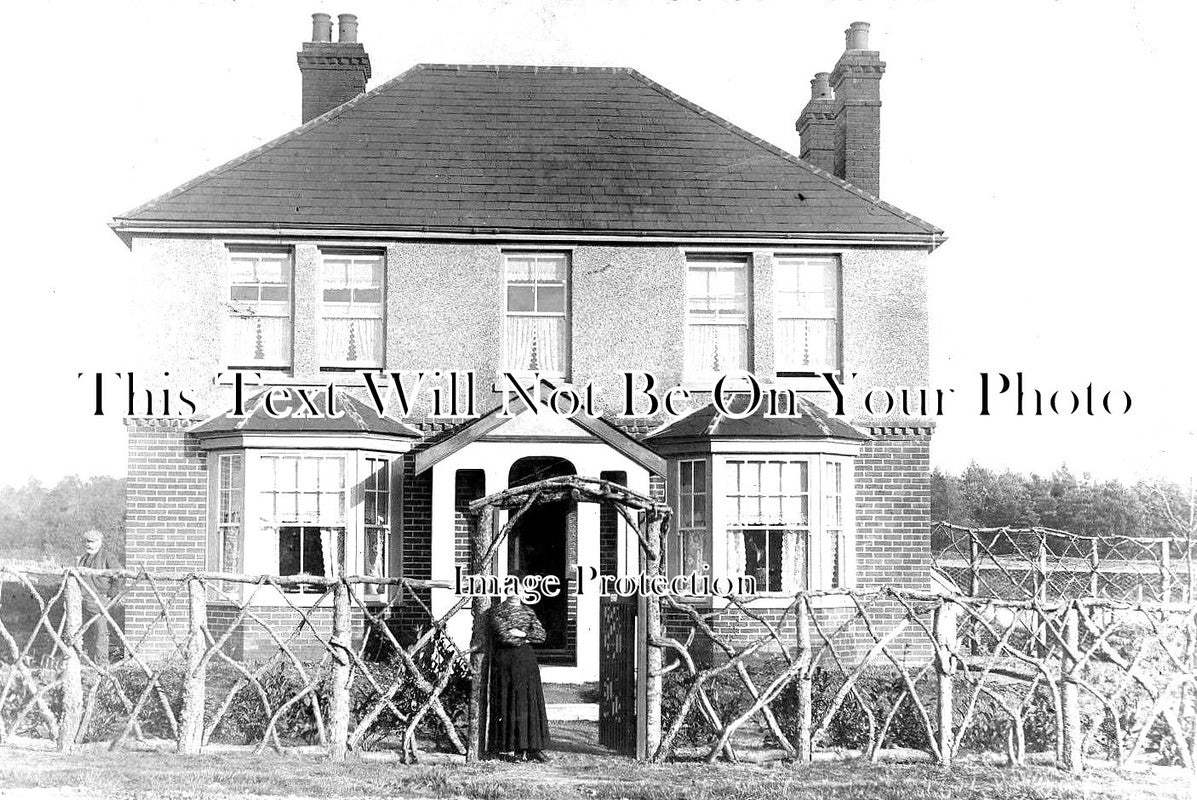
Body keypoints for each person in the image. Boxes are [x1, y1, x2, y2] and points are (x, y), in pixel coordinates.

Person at [487, 582, 551, 762]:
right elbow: (504, 636)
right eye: (511, 588)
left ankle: (532, 748)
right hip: (506, 661)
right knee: (510, 702)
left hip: (527, 662)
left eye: (520, 589)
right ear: (505, 590)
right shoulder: (497, 611)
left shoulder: (529, 611)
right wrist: (525, 635)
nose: (516, 592)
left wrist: (522, 634)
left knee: (529, 702)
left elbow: (541, 635)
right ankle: (512, 748)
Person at [77, 529, 125, 666]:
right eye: (87, 541)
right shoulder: (83, 559)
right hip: (85, 601)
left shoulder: (107, 557)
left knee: (100, 633)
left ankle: (101, 664)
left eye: (92, 542)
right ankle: (87, 662)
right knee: (85, 633)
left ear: (100, 542)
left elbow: (120, 575)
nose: (89, 545)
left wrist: (112, 593)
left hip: (101, 600)